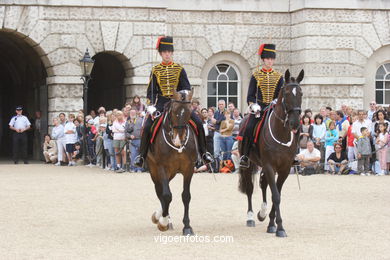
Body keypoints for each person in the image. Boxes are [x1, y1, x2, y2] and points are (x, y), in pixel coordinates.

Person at [134, 36, 213, 168]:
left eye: (169, 52)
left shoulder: (179, 69)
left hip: (179, 102)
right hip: (162, 103)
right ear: (161, 54)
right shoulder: (156, 70)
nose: (167, 54)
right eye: (165, 52)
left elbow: (186, 87)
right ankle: (142, 156)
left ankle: (204, 153)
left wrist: (183, 97)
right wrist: (151, 105)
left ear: (172, 53)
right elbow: (151, 91)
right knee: (147, 126)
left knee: (198, 122)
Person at [239, 43, 284, 167]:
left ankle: (292, 155)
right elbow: (250, 95)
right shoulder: (256, 75)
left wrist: (276, 101)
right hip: (259, 108)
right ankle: (245, 155)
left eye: (272, 59)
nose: (270, 61)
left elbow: (281, 94)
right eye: (268, 59)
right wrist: (254, 105)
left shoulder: (279, 77)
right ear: (263, 59)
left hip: (274, 108)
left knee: (289, 126)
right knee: (248, 128)